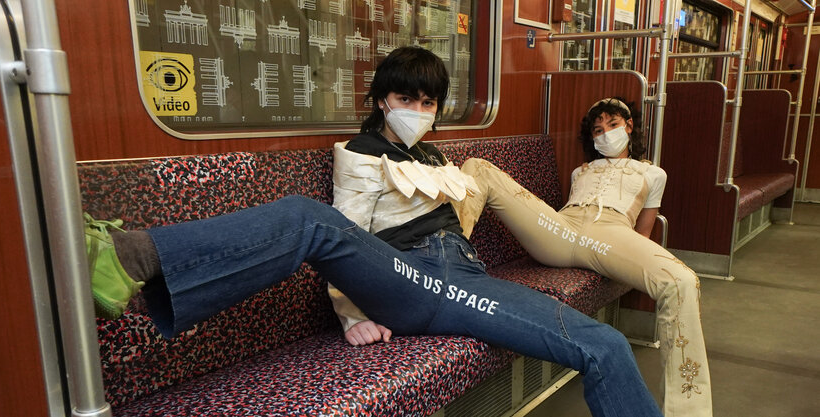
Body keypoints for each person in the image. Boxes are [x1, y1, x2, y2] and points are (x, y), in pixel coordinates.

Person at [87, 46, 661, 416]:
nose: (417, 108)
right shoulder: (360, 153)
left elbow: (461, 218)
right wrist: (354, 315)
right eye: (406, 97)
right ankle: (129, 256)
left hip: (460, 278)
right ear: (382, 99)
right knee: (307, 217)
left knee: (604, 343)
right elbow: (349, 234)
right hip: (408, 276)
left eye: (428, 100)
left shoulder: (434, 157)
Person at [449, 98, 711, 417]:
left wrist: (624, 260)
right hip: (561, 229)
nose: (605, 134)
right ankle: (445, 258)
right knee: (478, 167)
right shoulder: (580, 171)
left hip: (611, 235)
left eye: (613, 125)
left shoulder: (653, 174)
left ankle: (689, 411)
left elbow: (641, 234)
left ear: (629, 127)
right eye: (598, 130)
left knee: (682, 281)